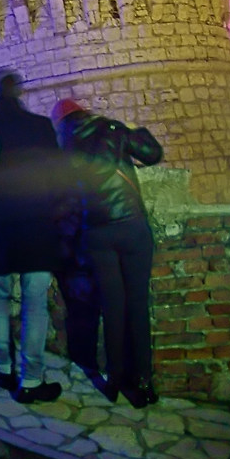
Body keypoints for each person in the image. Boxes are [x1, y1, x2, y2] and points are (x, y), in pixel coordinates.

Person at [55, 98, 165, 406]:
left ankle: (115, 379)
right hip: (131, 226)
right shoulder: (112, 129)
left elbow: (67, 203)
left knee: (112, 307)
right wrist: (135, 129)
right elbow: (152, 155)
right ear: (85, 112)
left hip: (97, 234)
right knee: (137, 305)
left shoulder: (64, 149)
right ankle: (142, 382)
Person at [0, 72, 65, 403]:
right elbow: (58, 175)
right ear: (21, 92)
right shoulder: (41, 127)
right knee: (35, 303)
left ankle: (1, 367)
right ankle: (30, 379)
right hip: (37, 227)